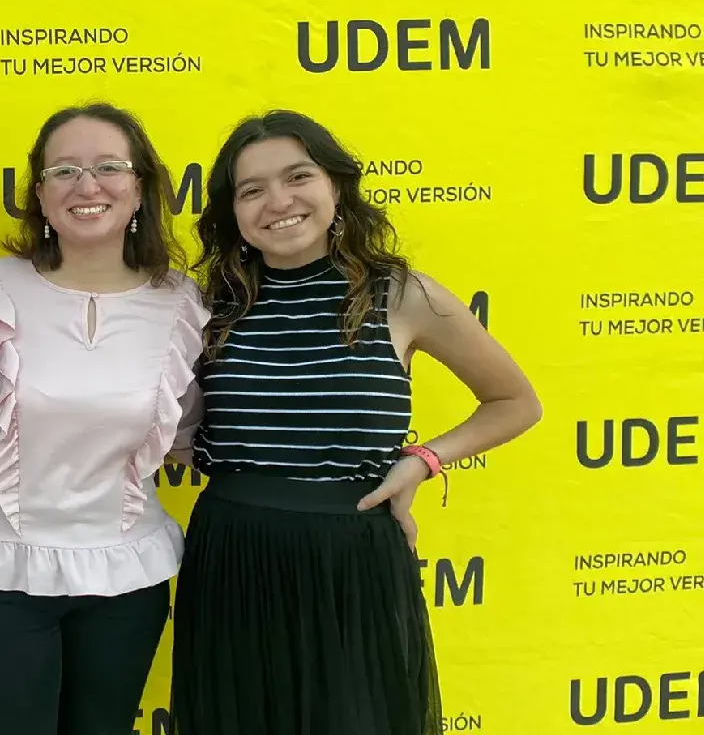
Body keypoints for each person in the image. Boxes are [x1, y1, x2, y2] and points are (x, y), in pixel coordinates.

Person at [169, 110, 543, 735]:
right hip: (234, 556)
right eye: (252, 189)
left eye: (298, 177)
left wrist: (422, 461)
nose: (278, 202)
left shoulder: (399, 294)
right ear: (232, 212)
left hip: (354, 560)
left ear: (335, 188)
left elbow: (514, 402)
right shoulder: (209, 305)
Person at [0, 102, 208, 735]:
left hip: (127, 580)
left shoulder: (181, 300)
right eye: (63, 170)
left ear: (140, 188)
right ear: (39, 195)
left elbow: (189, 434)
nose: (87, 185)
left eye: (108, 167)